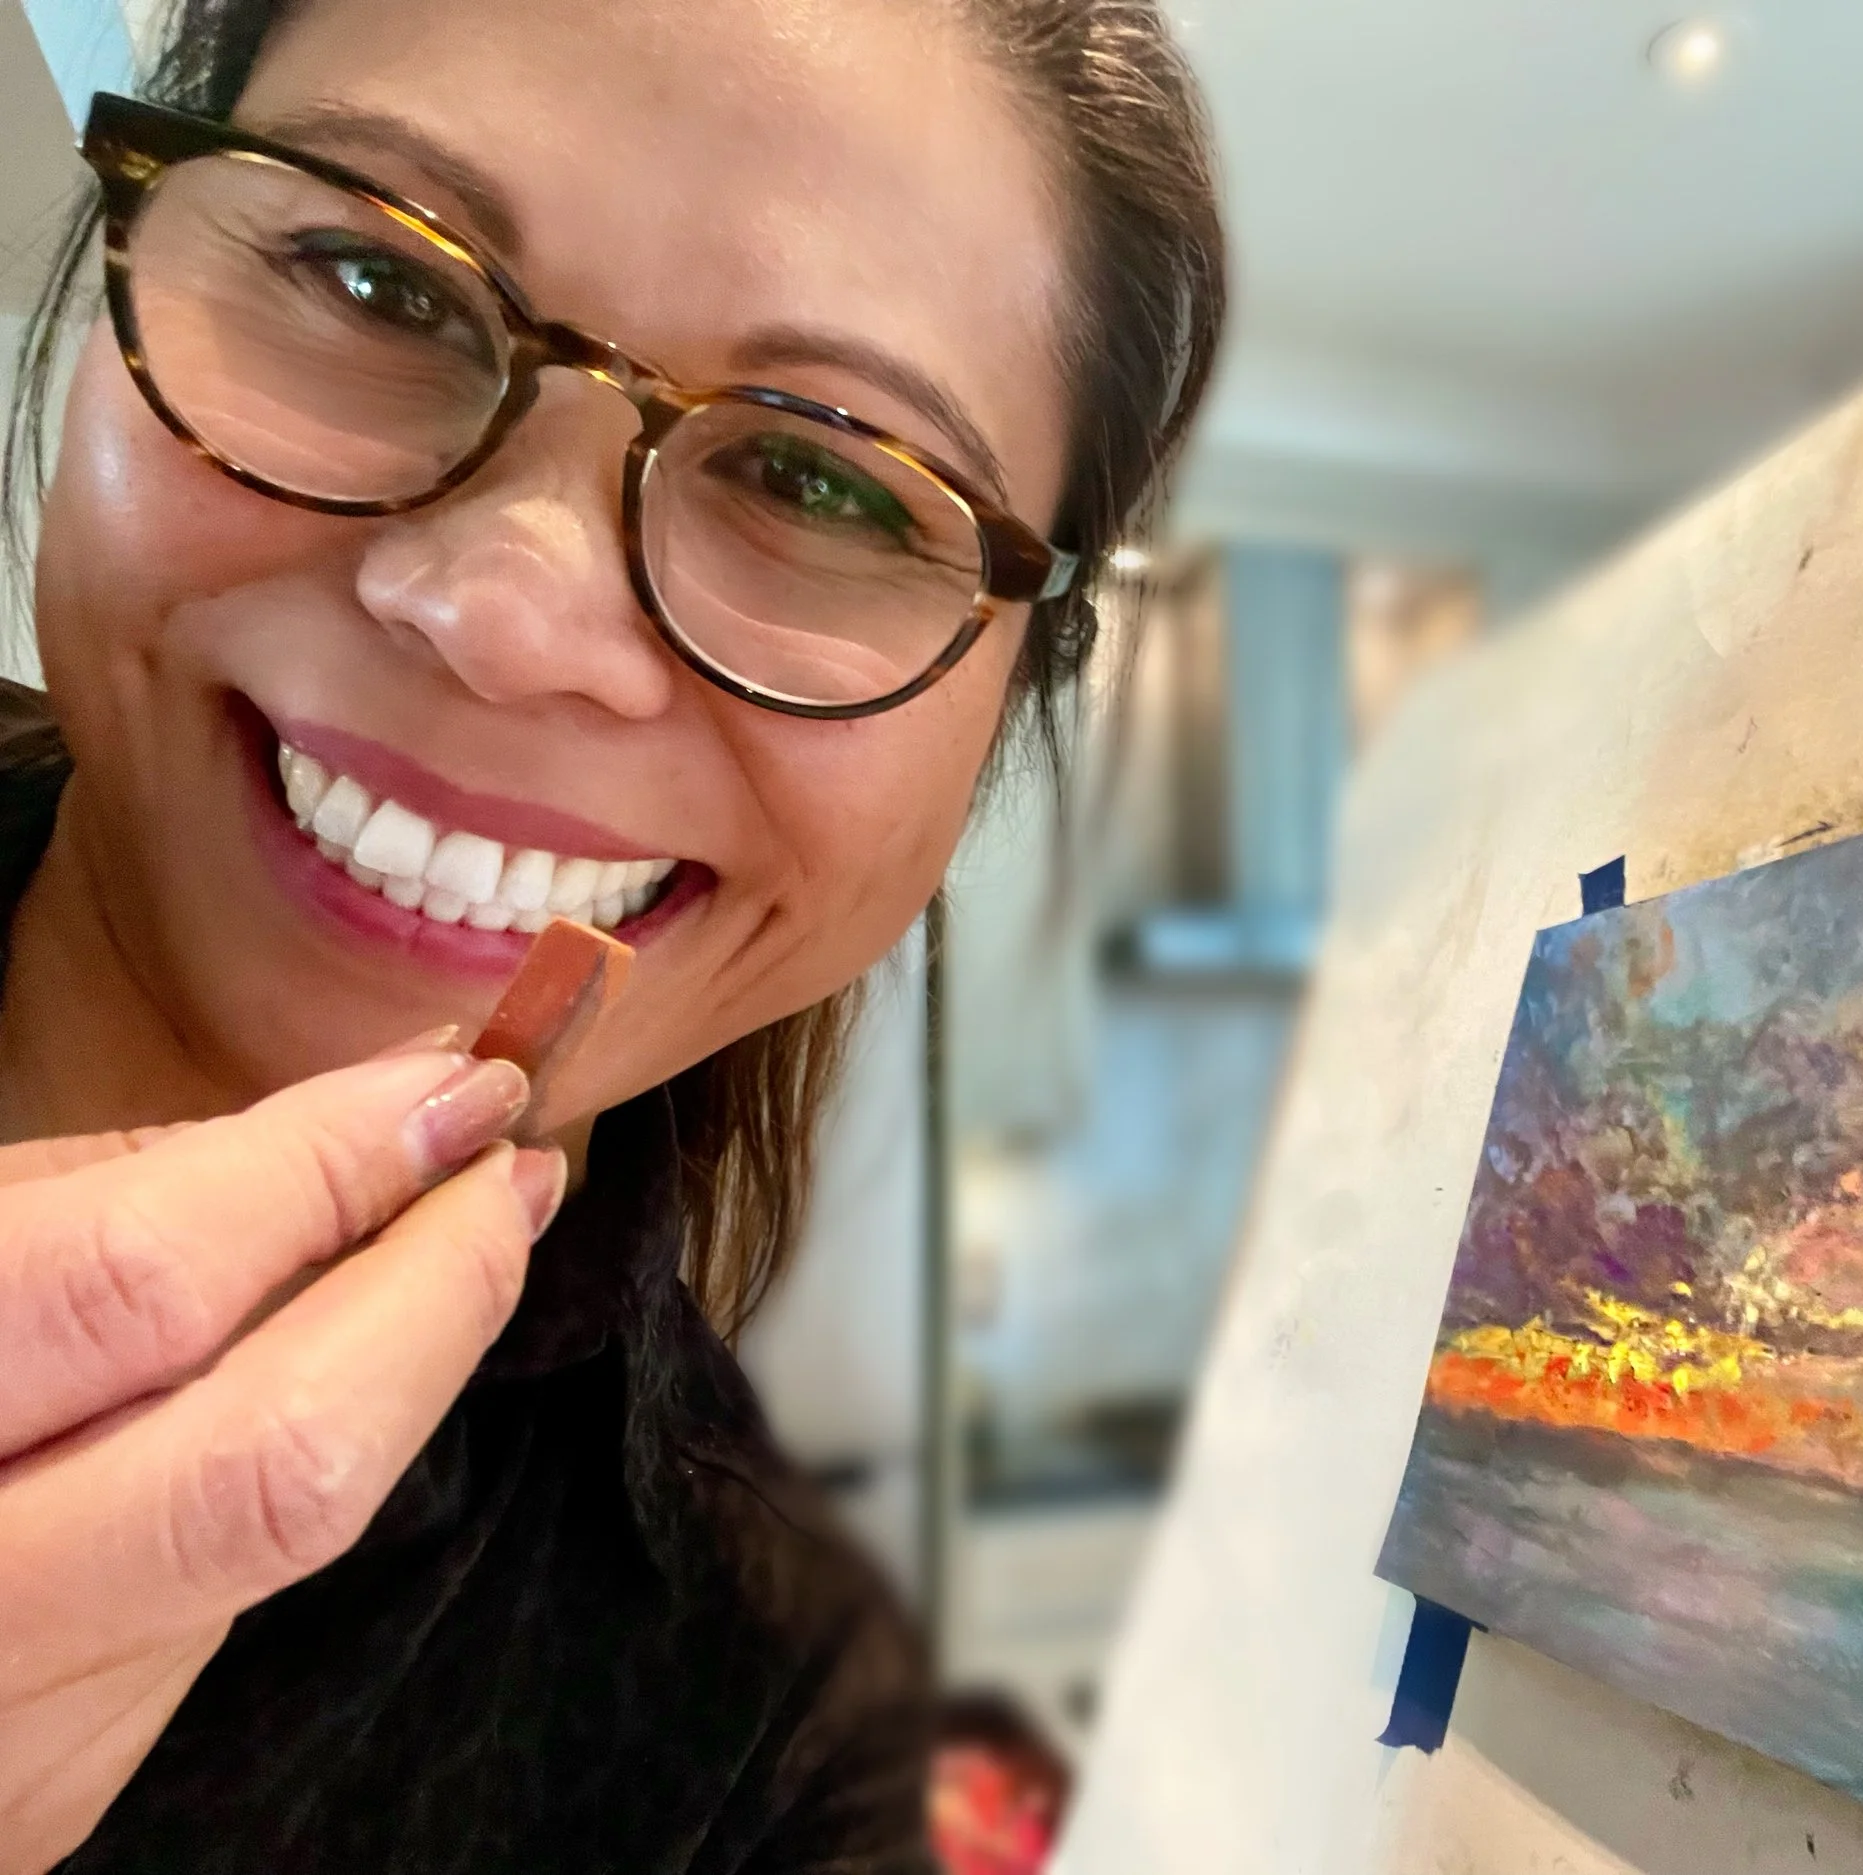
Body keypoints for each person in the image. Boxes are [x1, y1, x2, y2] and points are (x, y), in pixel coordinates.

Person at [0, 0, 1224, 1865]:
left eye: (821, 481)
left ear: (1002, 712)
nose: (502, 619)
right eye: (373, 280)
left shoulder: (801, 1767)